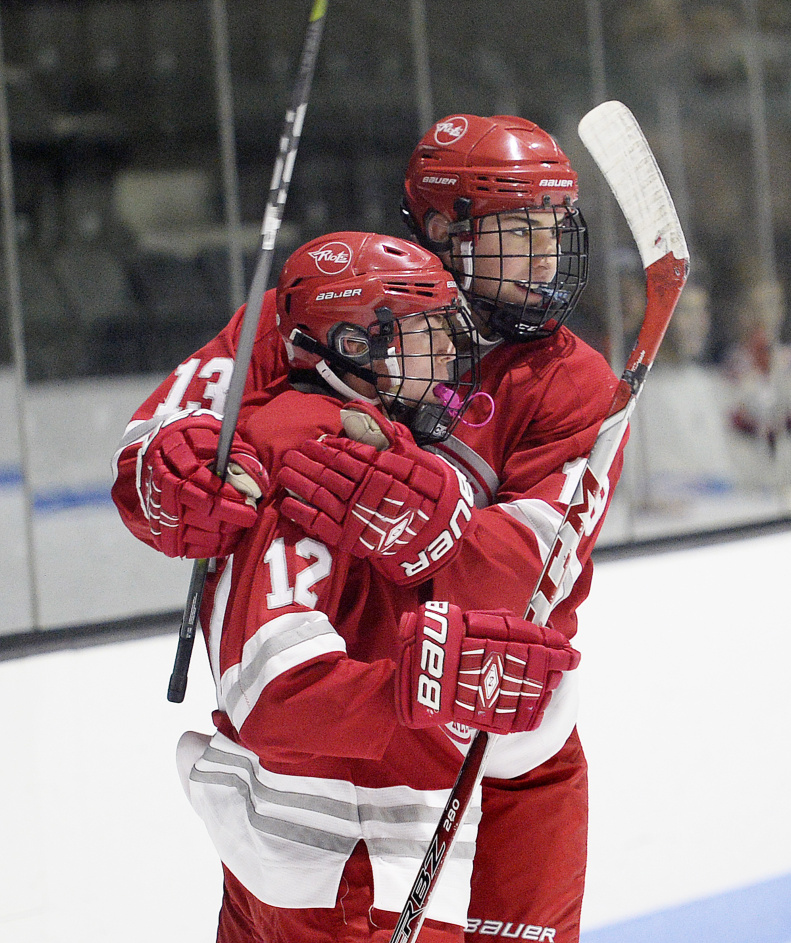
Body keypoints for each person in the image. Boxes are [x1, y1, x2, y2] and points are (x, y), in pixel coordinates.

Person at [111, 114, 626, 942]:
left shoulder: (573, 382)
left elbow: (543, 575)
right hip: (335, 763)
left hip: (501, 749)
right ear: (436, 227)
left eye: (554, 227)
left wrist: (440, 533)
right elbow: (162, 438)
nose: (544, 257)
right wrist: (164, 476)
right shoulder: (312, 310)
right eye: (514, 230)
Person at [173, 231, 582, 942]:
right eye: (425, 334)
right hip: (336, 878)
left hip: (321, 869)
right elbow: (271, 687)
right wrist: (427, 684)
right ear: (354, 345)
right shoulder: (306, 456)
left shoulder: (374, 442)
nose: (449, 356)